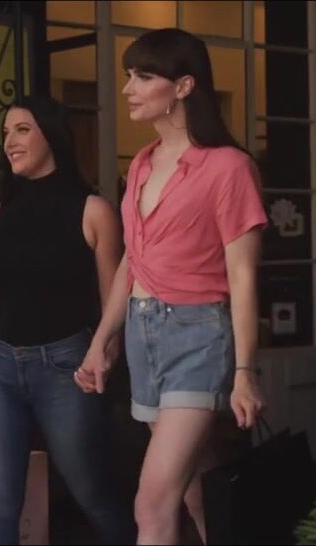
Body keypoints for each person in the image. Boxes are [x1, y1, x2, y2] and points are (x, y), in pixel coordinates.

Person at [76, 28, 268, 545]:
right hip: (143, 336)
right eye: (129, 76)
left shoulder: (229, 167)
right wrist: (102, 340)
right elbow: (132, 263)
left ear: (183, 86)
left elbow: (243, 275)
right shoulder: (141, 164)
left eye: (143, 77)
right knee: (193, 490)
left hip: (197, 335)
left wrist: (245, 371)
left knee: (152, 501)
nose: (128, 89)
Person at [0, 94, 135, 545]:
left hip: (66, 368)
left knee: (96, 498)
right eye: (6, 132)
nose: (10, 140)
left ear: (52, 136)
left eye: (22, 129)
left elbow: (114, 304)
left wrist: (103, 360)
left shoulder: (93, 211)